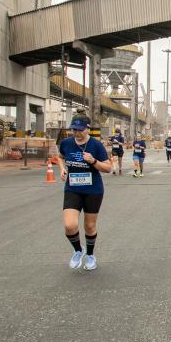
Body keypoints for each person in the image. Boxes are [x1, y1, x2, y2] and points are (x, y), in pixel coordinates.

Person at [56, 115, 112, 271]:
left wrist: (93, 161)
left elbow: (108, 168)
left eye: (80, 130)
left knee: (89, 225)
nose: (77, 133)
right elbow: (60, 157)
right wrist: (62, 169)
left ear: (87, 129)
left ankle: (90, 255)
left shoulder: (96, 145)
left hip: (93, 190)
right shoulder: (66, 143)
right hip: (72, 188)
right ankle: (78, 250)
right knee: (69, 225)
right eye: (74, 129)